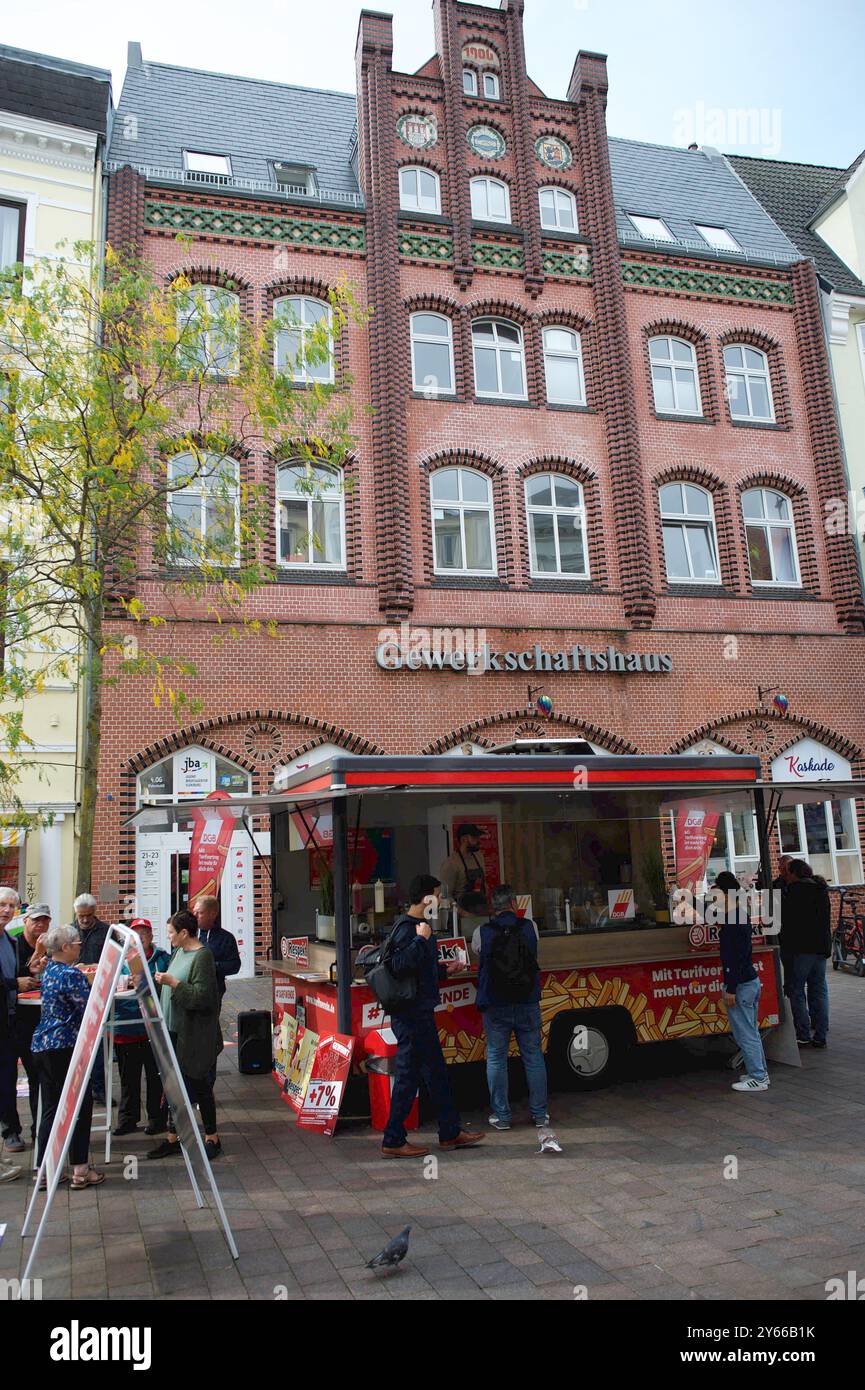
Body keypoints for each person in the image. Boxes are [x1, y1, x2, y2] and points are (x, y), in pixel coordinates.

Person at [381, 874, 485, 1159]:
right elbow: (399, 967)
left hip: (421, 1012)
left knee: (436, 1074)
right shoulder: (409, 929)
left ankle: (450, 1132)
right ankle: (393, 1138)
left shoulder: (420, 928)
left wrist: (444, 970)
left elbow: (418, 973)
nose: (441, 901)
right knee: (407, 1077)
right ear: (426, 898)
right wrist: (420, 941)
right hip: (411, 1016)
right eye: (438, 895)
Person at [32, 924, 105, 1189]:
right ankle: (80, 1170)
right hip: (65, 1047)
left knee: (50, 1108)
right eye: (76, 943)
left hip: (43, 1044)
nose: (79, 946)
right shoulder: (70, 975)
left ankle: (44, 1169)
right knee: (80, 1106)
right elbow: (89, 1006)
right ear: (64, 948)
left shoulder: (50, 969)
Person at [147, 909, 224, 1161]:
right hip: (174, 1029)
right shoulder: (179, 951)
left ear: (183, 932)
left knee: (199, 1085)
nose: (167, 937)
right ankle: (173, 1136)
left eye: (171, 932)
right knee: (173, 1086)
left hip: (193, 1036)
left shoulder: (203, 956)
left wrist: (173, 984)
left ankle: (212, 1137)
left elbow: (203, 998)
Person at [476, 885, 548, 1130]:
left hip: (496, 1003)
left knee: (496, 1057)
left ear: (492, 908)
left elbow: (478, 956)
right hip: (527, 1000)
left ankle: (502, 1116)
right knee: (533, 1056)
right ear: (515, 904)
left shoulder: (481, 932)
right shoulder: (530, 927)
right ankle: (540, 1115)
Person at [113, 919, 170, 1137]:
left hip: (153, 1026)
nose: (140, 937)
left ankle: (157, 1119)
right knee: (128, 1078)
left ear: (151, 935)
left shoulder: (162, 958)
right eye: (135, 933)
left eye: (143, 933)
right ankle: (128, 1119)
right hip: (126, 1026)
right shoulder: (119, 959)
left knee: (155, 1076)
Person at [714, 871, 770, 1092]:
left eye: (716, 892)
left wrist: (731, 988)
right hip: (749, 981)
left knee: (745, 1034)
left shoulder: (733, 919)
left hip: (742, 986)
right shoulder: (738, 915)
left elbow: (734, 958)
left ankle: (758, 1077)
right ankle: (759, 1072)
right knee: (751, 1032)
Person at [6, 903, 50, 1149]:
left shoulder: (51, 946)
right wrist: (37, 954)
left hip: (39, 1021)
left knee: (37, 1075)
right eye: (36, 920)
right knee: (8, 1077)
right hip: (14, 1020)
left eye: (44, 921)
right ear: (25, 922)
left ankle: (38, 1128)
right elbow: (21, 976)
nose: (40, 925)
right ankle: (11, 1130)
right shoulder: (13, 945)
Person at [783, 859, 831, 1048]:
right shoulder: (821, 889)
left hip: (801, 949)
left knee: (796, 991)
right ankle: (820, 1035)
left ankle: (803, 1034)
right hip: (820, 948)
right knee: (819, 991)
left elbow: (786, 922)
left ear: (794, 873)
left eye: (788, 872)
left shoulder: (794, 891)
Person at [71, 894, 111, 1104]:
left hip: (97, 992)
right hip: (73, 995)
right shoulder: (69, 932)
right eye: (81, 916)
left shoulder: (106, 932)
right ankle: (79, 1091)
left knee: (97, 1043)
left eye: (88, 915)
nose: (85, 920)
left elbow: (112, 960)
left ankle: (100, 1089)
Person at [0, 887, 24, 1180]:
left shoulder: (10, 940)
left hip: (8, 1022)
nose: (6, 910)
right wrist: (15, 982)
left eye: (10, 906)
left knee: (6, 1082)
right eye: (2, 905)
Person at [192, 895, 240, 1010]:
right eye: (194, 912)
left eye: (200, 913)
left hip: (213, 992)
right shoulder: (189, 934)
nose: (195, 916)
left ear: (212, 914)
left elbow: (234, 966)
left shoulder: (225, 938)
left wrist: (211, 966)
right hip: (189, 989)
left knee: (209, 1024)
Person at [439, 825, 488, 922]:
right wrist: (464, 914)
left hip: (481, 912)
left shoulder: (479, 857)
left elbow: (484, 883)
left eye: (478, 837)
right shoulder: (451, 863)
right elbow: (444, 896)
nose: (478, 840)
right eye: (474, 837)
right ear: (463, 839)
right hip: (461, 918)